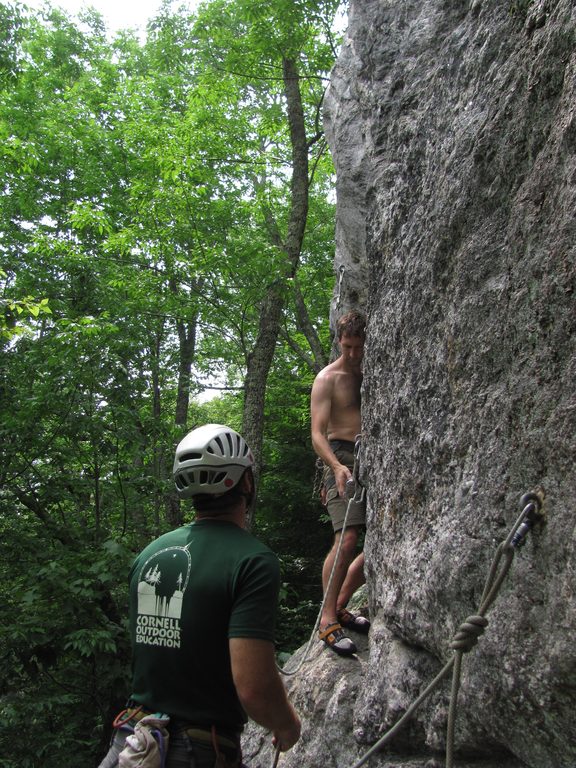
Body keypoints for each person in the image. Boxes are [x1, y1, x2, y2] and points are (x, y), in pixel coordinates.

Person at [98, 423, 301, 768]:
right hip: (195, 751)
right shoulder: (253, 561)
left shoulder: (149, 554)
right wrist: (286, 725)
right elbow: (253, 687)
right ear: (246, 482)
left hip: (130, 742)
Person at [310, 311, 369, 657]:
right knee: (346, 536)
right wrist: (333, 467)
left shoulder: (370, 370)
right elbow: (317, 433)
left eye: (358, 347)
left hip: (373, 456)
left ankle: (342, 604)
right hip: (340, 457)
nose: (353, 354)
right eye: (347, 346)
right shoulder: (327, 378)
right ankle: (327, 620)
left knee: (379, 542)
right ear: (339, 342)